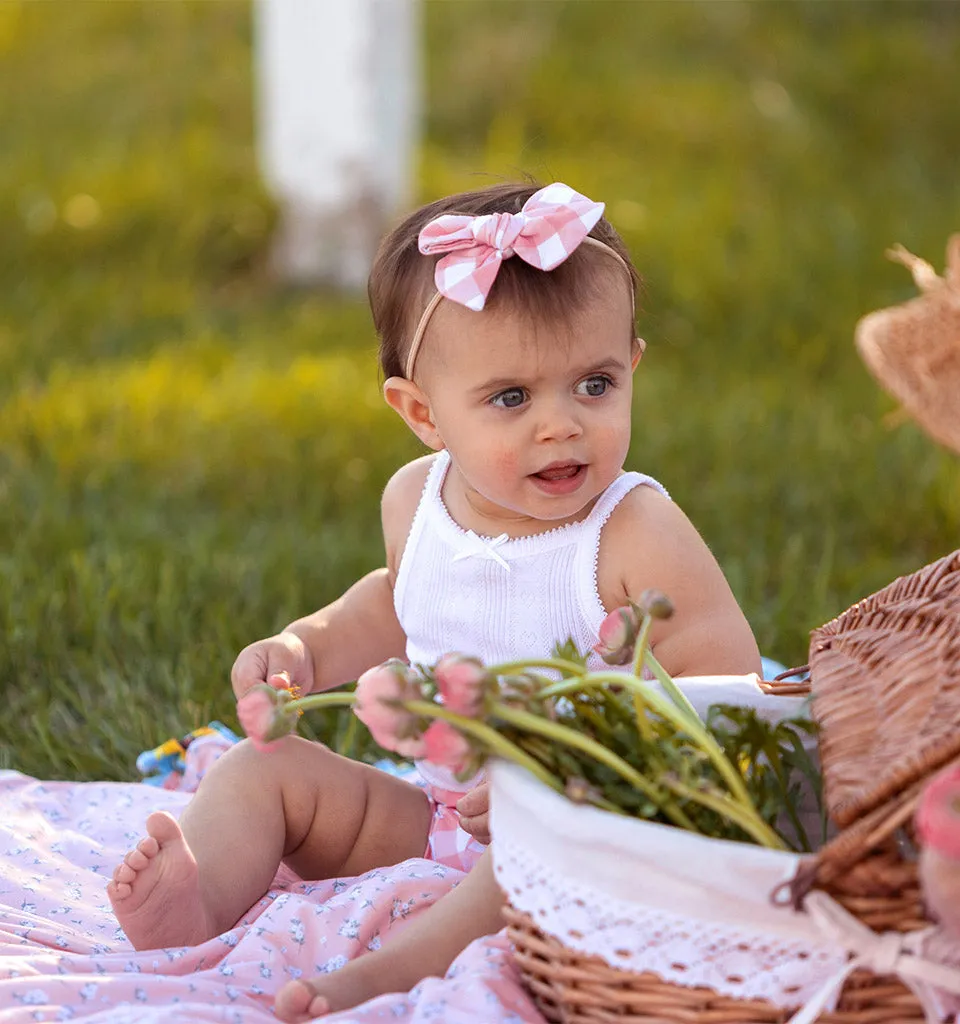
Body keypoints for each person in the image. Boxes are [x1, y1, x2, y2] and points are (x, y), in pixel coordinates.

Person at [105, 180, 761, 1021]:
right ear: (422, 414)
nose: (561, 425)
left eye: (594, 385)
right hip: (433, 810)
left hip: (589, 826)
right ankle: (195, 897)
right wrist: (307, 648)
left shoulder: (632, 530)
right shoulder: (416, 499)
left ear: (632, 365)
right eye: (512, 398)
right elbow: (397, 601)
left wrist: (568, 769)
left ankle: (387, 972)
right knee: (262, 768)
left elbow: (725, 683)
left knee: (532, 848)